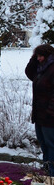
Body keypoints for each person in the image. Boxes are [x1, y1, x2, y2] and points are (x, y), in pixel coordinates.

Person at [25, 44, 54, 176]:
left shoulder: (52, 68)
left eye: (41, 56)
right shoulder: (41, 69)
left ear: (48, 56)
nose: (39, 59)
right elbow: (29, 73)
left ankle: (52, 175)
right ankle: (47, 170)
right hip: (39, 115)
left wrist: (50, 112)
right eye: (38, 56)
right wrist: (34, 57)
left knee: (51, 145)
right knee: (44, 145)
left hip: (50, 117)